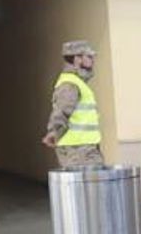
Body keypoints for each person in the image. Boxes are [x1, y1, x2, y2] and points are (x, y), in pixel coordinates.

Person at [41, 40, 104, 168]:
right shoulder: (70, 84)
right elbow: (61, 111)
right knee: (88, 180)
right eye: (89, 56)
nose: (93, 60)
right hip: (78, 150)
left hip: (83, 147)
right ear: (77, 59)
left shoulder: (77, 82)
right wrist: (54, 132)